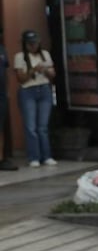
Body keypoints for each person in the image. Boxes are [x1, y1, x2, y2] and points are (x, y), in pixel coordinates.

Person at [14, 30, 57, 168]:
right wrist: (33, 70)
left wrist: (45, 70)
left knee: (42, 127)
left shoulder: (45, 55)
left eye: (35, 43)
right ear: (25, 44)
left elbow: (52, 74)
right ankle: (34, 157)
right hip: (28, 91)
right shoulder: (20, 57)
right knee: (30, 127)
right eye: (30, 44)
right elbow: (21, 79)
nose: (33, 46)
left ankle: (47, 156)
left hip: (44, 89)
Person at [0, 26, 17, 170]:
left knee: (2, 127)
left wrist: (7, 90)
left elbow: (6, 71)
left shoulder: (2, 50)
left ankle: (2, 158)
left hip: (1, 95)